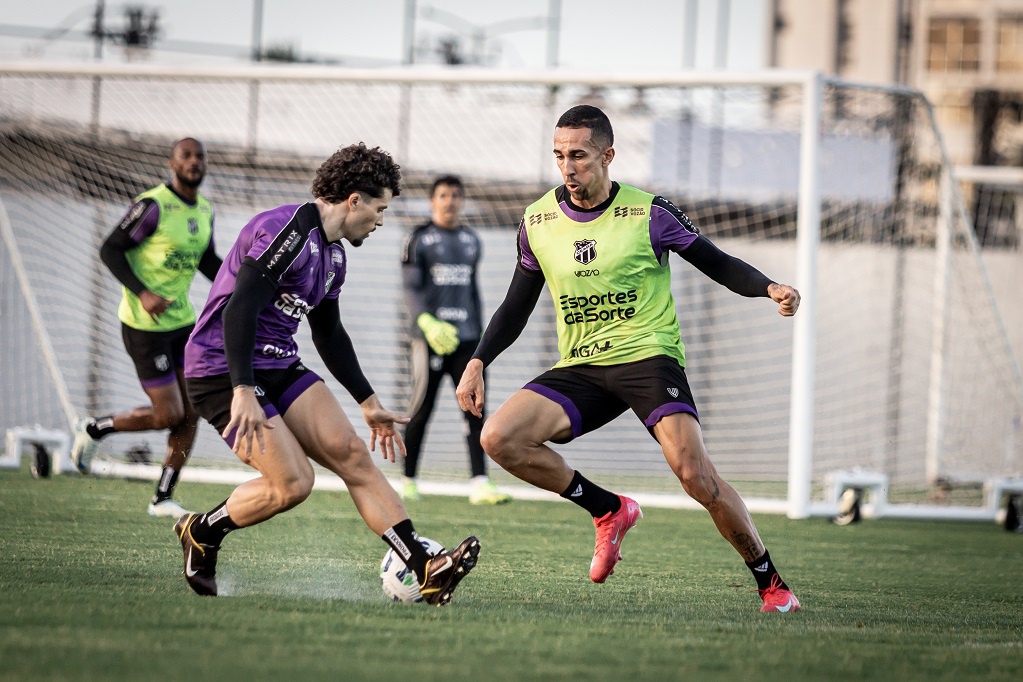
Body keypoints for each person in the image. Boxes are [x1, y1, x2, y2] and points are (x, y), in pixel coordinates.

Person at [456, 105, 802, 613]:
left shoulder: (649, 213)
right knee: (498, 438)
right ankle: (608, 509)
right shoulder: (537, 221)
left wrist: (769, 286)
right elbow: (516, 304)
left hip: (648, 357)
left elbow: (717, 262)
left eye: (578, 155)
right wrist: (478, 361)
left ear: (607, 155)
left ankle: (771, 583)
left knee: (694, 475)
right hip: (582, 365)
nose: (568, 167)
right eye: (559, 156)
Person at [176, 143, 480, 603]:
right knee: (294, 484)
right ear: (353, 200)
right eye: (379, 209)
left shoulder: (333, 255)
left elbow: (330, 333)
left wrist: (368, 401)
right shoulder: (287, 232)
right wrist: (241, 390)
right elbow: (239, 311)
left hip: (278, 364)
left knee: (353, 455)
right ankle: (202, 531)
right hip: (221, 368)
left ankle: (425, 568)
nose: (380, 221)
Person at [70, 137, 222, 519]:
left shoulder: (204, 209)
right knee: (167, 414)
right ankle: (96, 428)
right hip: (144, 326)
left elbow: (206, 260)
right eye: (186, 156)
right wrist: (143, 293)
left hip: (183, 324)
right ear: (172, 162)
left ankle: (163, 497)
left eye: (199, 156)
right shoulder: (153, 205)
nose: (194, 162)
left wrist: (243, 285)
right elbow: (110, 249)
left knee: (193, 409)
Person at [399, 175, 510, 505]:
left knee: (475, 410)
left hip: (466, 340)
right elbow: (410, 287)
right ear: (433, 201)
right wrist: (426, 323)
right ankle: (407, 479)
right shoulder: (417, 239)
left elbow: (471, 291)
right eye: (443, 195)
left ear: (462, 201)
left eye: (455, 195)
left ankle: (480, 481)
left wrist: (480, 339)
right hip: (430, 339)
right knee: (421, 408)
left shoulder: (472, 240)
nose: (450, 201)